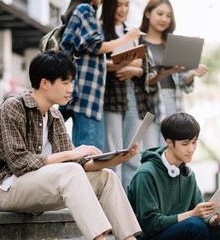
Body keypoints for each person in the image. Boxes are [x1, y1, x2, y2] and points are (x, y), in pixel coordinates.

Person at [0, 50, 141, 240]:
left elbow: (78, 164)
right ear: (44, 83)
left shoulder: (55, 115)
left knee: (107, 177)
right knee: (70, 170)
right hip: (6, 189)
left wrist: (113, 161)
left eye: (71, 83)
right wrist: (71, 154)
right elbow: (19, 163)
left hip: (38, 187)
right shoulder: (14, 107)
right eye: (65, 83)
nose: (70, 89)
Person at [127, 112, 220, 240]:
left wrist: (216, 219)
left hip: (184, 232)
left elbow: (203, 215)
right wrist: (192, 214)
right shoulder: (146, 174)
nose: (191, 149)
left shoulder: (187, 174)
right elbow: (151, 225)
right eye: (185, 144)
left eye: (194, 142)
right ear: (169, 143)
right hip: (151, 237)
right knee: (195, 225)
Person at [59, 0, 141, 151]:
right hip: (87, 94)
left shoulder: (85, 10)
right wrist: (126, 39)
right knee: (91, 151)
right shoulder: (85, 9)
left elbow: (89, 56)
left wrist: (122, 64)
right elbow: (95, 46)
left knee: (87, 149)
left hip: (85, 93)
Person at [140, 0, 209, 148]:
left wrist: (192, 74)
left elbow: (181, 80)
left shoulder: (172, 43)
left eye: (168, 15)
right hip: (151, 105)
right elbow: (141, 81)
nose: (164, 19)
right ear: (147, 13)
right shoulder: (139, 43)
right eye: (160, 14)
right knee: (153, 151)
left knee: (173, 149)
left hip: (174, 101)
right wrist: (163, 74)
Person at [100, 0, 153, 190]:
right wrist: (121, 65)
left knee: (133, 153)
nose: (123, 9)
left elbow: (146, 64)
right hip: (111, 97)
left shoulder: (132, 31)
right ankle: (113, 202)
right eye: (119, 4)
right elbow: (95, 60)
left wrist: (134, 70)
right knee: (113, 153)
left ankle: (130, 205)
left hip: (134, 96)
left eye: (127, 5)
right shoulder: (99, 30)